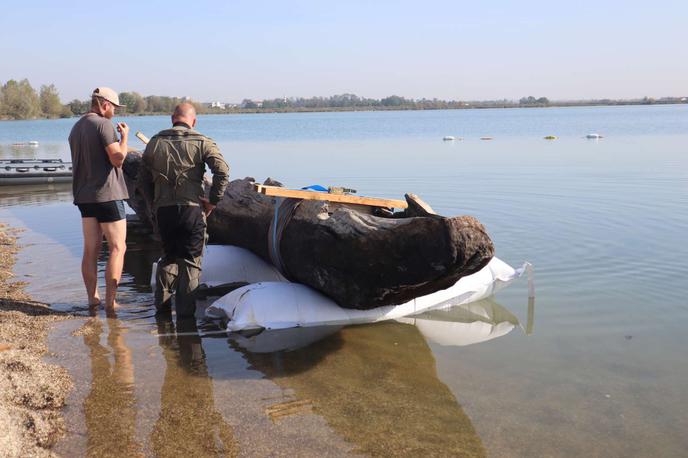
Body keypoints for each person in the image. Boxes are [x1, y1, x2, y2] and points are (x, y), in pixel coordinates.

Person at [139, 102, 229, 316]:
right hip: (192, 211)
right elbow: (222, 171)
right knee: (190, 265)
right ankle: (186, 323)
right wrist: (213, 200)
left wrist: (153, 204)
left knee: (168, 258)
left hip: (164, 212)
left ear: (172, 118)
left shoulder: (154, 142)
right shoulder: (202, 141)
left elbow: (142, 180)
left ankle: (162, 316)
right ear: (194, 121)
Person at [68, 87, 129, 312]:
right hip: (107, 195)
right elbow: (117, 158)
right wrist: (124, 138)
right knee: (117, 247)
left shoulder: (76, 127)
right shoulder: (103, 124)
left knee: (90, 249)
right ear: (104, 104)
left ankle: (92, 299)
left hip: (84, 196)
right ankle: (111, 303)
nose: (114, 111)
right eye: (113, 107)